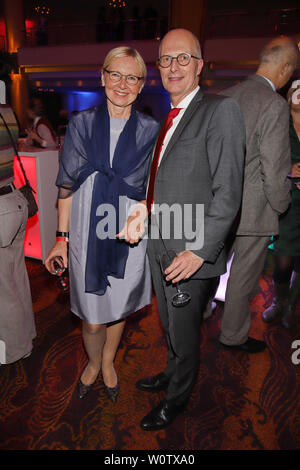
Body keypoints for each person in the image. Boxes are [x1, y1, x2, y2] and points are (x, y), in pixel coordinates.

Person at [120, 28, 245, 430]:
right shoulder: (168, 116)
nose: (174, 66)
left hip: (190, 252)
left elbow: (229, 192)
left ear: (200, 66)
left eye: (183, 58)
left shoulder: (219, 110)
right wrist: (144, 208)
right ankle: (172, 373)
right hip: (161, 241)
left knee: (186, 331)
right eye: (166, 59)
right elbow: (167, 180)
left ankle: (176, 401)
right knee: (171, 324)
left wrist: (199, 251)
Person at [45, 47, 159, 402]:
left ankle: (108, 362)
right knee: (93, 316)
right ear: (102, 76)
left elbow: (154, 187)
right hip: (85, 229)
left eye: (132, 77)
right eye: (116, 74)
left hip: (128, 230)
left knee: (118, 305)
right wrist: (61, 238)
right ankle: (93, 361)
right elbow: (66, 185)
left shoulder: (151, 129)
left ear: (141, 85)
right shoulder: (80, 123)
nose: (122, 84)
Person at [218, 36, 299, 352]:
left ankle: (195, 318)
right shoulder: (274, 104)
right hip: (254, 210)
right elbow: (273, 167)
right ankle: (233, 336)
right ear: (286, 68)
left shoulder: (225, 96)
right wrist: (282, 204)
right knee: (243, 279)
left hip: (220, 206)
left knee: (209, 267)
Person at [0, 98, 36, 365]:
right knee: (16, 278)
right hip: (13, 200)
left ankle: (14, 350)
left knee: (4, 288)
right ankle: (27, 337)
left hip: (2, 208)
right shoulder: (5, 109)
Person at [262, 80, 300, 328]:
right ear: (288, 97)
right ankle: (279, 300)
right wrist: (289, 170)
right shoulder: (278, 126)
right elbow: (266, 160)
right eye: (296, 89)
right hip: (288, 202)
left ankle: (290, 308)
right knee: (283, 261)